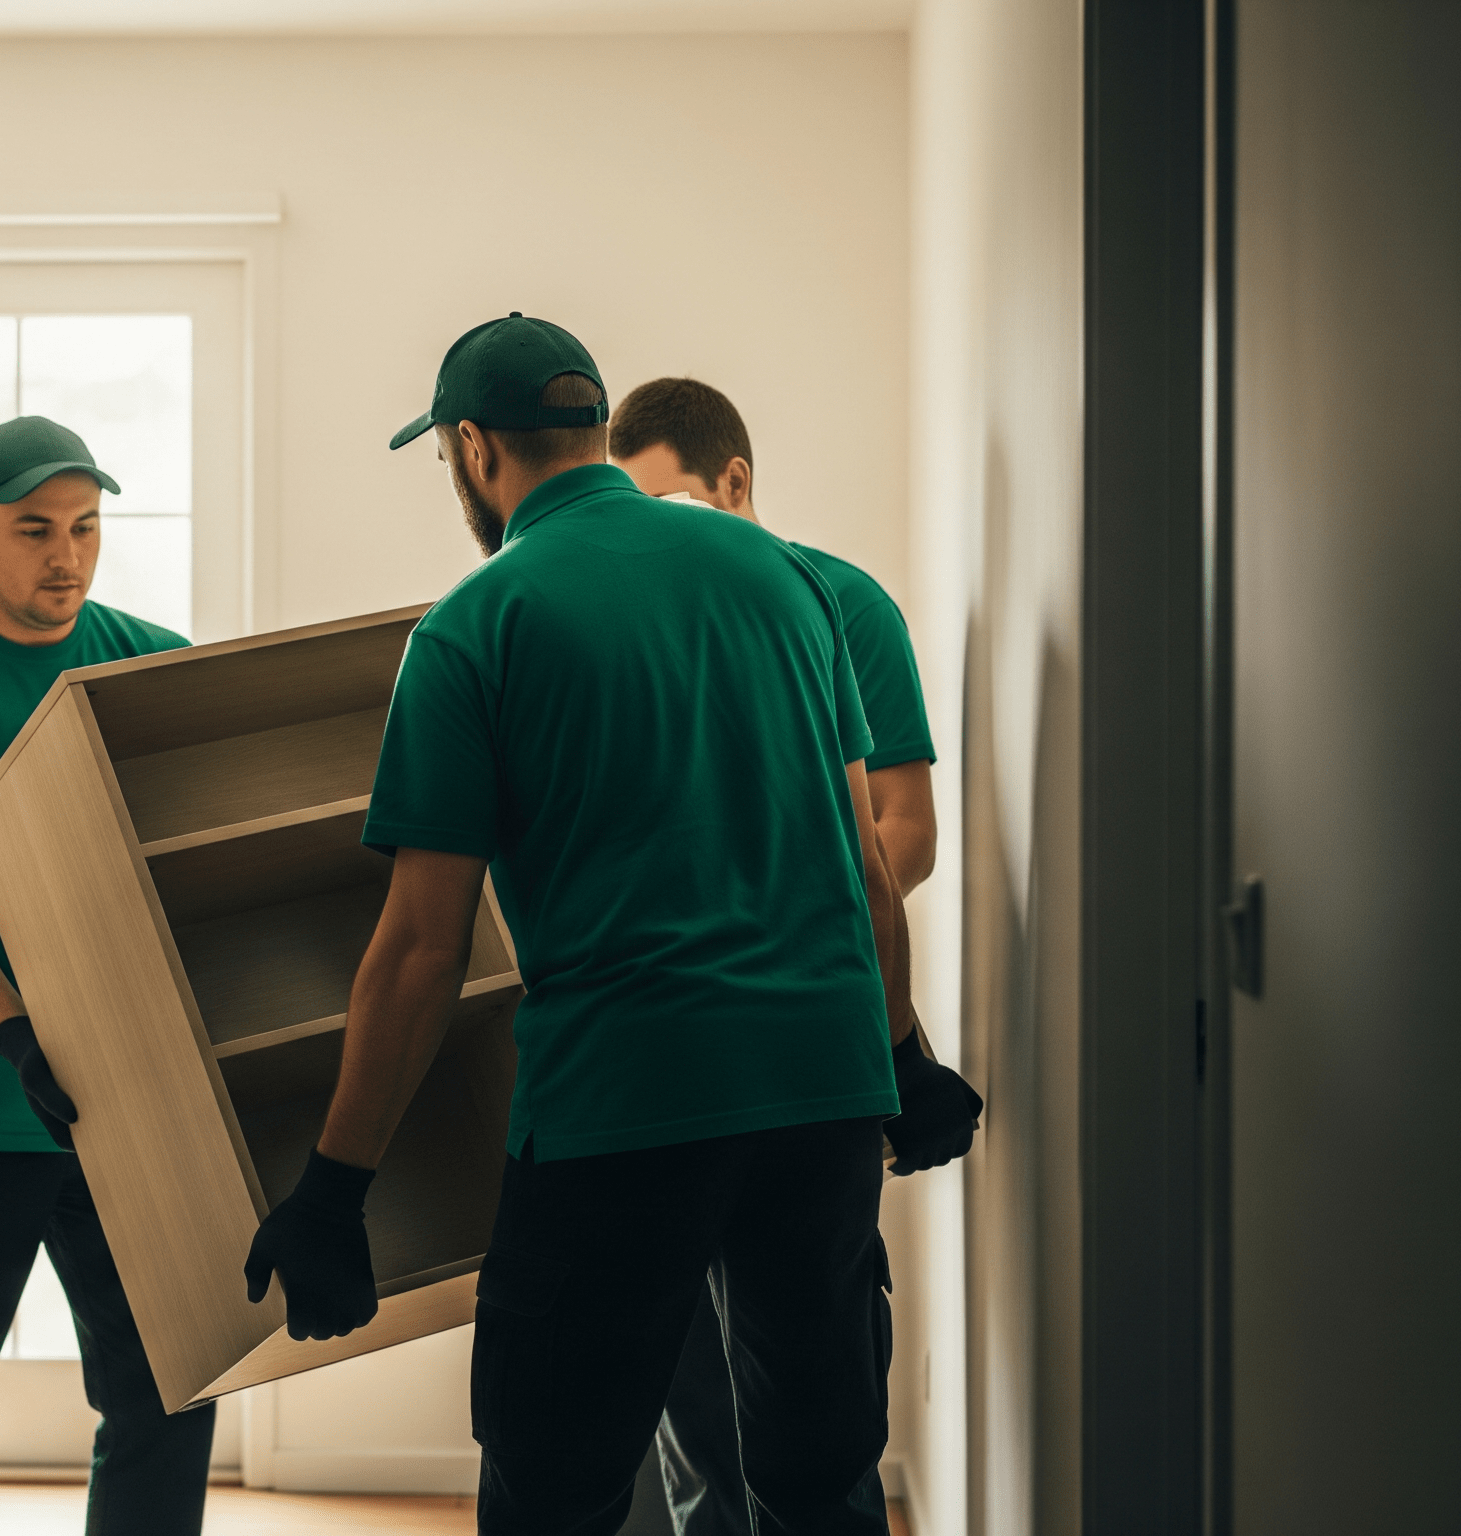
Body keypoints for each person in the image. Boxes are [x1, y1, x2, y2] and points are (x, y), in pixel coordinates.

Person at [237, 313, 964, 1535]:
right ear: (589, 423)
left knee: (555, 1483)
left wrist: (332, 1188)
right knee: (817, 1473)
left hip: (624, 1112)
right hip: (818, 1102)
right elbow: (864, 872)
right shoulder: (784, 579)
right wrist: (903, 1059)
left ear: (474, 450)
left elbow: (421, 946)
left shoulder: (475, 624)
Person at [610, 377, 976, 1535]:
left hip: (804, 1057)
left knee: (810, 1424)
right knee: (688, 1421)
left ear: (737, 484)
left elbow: (904, 836)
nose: (653, 539)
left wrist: (765, 896)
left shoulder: (837, 602)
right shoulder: (617, 612)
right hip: (662, 1066)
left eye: (674, 505)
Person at [0, 415, 213, 1534]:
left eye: (84, 527)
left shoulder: (151, 663)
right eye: (33, 530)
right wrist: (15, 1036)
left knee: (166, 1391)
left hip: (129, 1117)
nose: (65, 555)